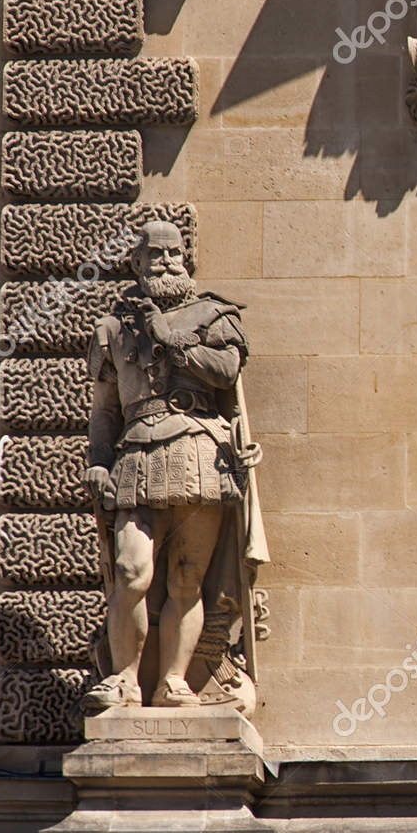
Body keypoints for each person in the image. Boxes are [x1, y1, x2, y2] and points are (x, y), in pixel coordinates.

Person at [81, 220, 264, 713]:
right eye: (154, 255)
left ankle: (175, 681)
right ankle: (123, 678)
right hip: (136, 451)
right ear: (136, 264)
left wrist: (174, 339)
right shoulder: (114, 329)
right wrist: (98, 462)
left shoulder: (214, 315)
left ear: (186, 258)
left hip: (200, 448)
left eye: (173, 253)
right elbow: (104, 411)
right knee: (130, 569)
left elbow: (227, 373)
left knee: (188, 577)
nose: (165, 262)